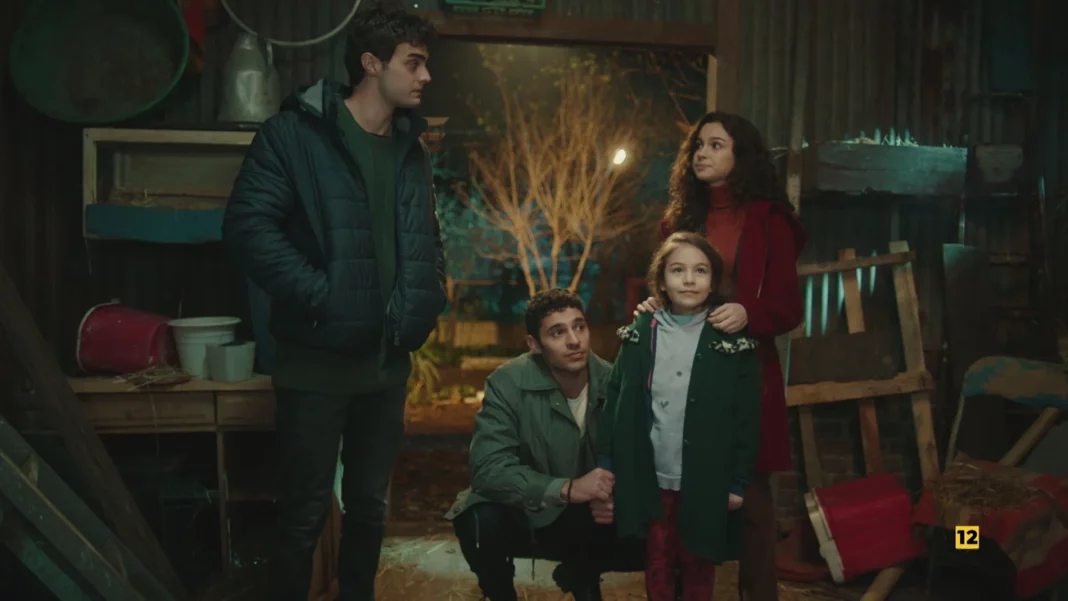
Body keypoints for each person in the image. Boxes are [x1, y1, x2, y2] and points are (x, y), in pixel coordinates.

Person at [221, 4, 447, 600]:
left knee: (370, 510)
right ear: (371, 64)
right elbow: (248, 229)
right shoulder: (294, 135)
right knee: (303, 512)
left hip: (385, 368)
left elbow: (428, 238)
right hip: (315, 366)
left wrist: (428, 297)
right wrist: (324, 295)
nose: (426, 76)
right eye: (414, 63)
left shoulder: (412, 150)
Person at [634, 111, 807, 601]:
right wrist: (652, 304)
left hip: (745, 370)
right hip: (680, 368)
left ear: (741, 155)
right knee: (675, 498)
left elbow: (789, 307)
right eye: (698, 145)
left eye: (716, 145)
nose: (702, 153)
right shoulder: (679, 221)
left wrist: (748, 313)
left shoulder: (771, 220)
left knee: (752, 502)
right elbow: (668, 286)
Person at [445, 288, 643, 601]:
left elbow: (644, 456)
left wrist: (620, 496)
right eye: (557, 332)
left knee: (663, 524)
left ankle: (583, 575)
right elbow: (488, 469)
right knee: (477, 519)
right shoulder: (508, 382)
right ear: (534, 344)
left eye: (579, 327)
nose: (574, 341)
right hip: (532, 513)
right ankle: (500, 593)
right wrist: (566, 488)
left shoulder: (614, 381)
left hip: (596, 516)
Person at [598, 232, 762, 601]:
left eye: (700, 270)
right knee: (657, 559)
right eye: (677, 270)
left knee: (698, 562)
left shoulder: (731, 341)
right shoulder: (642, 332)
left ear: (713, 282)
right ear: (661, 281)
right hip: (653, 476)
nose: (689, 280)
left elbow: (746, 418)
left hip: (706, 479)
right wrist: (607, 462)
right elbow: (616, 398)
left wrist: (737, 481)